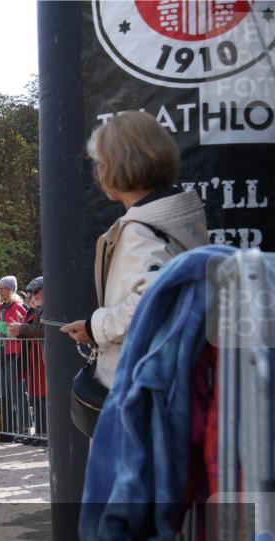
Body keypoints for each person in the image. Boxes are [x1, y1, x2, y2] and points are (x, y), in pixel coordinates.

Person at [62, 110, 208, 389]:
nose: (98, 172)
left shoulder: (140, 231)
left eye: (101, 163)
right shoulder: (181, 221)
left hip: (139, 391)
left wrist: (97, 327)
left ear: (117, 166)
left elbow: (154, 303)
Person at [0, 276, 29, 439]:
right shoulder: (0, 306)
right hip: (1, 352)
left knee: (17, 390)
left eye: (4, 288)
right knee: (5, 392)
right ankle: (10, 426)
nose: (0, 291)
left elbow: (11, 329)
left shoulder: (17, 306)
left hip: (14, 352)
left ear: (12, 290)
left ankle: (24, 427)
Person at [9, 276, 47, 445]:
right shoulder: (40, 309)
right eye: (30, 292)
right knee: (36, 396)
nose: (32, 295)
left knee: (44, 397)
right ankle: (40, 432)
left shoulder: (50, 308)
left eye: (36, 291)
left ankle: (46, 434)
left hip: (43, 358)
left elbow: (44, 330)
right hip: (35, 357)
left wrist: (22, 328)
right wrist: (20, 329)